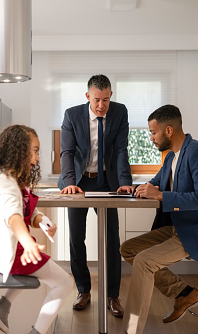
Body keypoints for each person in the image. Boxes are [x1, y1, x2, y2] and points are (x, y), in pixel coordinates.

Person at [121, 105, 198, 334]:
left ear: (169, 131)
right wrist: (133, 188)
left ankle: (131, 330)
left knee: (144, 261)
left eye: (154, 133)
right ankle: (184, 293)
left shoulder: (197, 153)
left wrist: (161, 195)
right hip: (179, 228)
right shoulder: (172, 157)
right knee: (129, 249)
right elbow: (154, 183)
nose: (151, 138)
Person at [0, 125, 74, 334]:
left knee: (42, 267)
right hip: (3, 252)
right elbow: (13, 215)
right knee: (65, 282)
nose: (37, 158)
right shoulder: (4, 182)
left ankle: (2, 306)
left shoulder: (14, 179)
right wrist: (28, 243)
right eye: (34, 150)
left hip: (5, 248)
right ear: (19, 150)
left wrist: (42, 221)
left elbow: (25, 210)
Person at [57, 74, 133, 316]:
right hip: (78, 183)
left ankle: (113, 296)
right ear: (87, 96)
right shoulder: (72, 115)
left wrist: (124, 183)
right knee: (76, 240)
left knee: (112, 240)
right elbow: (67, 152)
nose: (101, 106)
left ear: (111, 97)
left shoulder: (120, 113)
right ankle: (83, 290)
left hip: (106, 183)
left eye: (106, 100)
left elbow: (121, 149)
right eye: (97, 100)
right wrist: (69, 182)